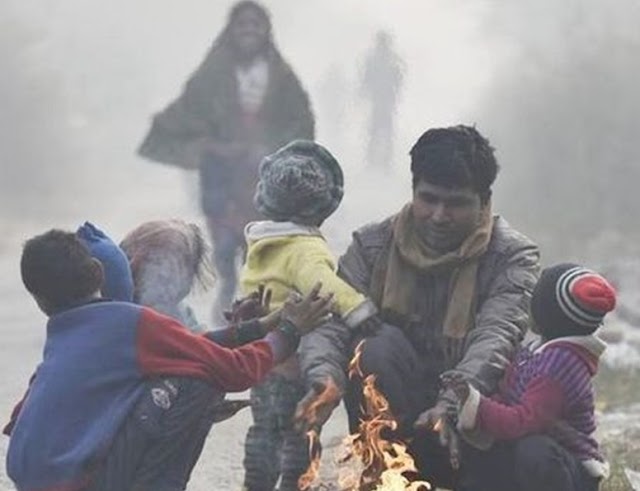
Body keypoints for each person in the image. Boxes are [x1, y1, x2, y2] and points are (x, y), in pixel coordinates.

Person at [295, 125, 541, 489]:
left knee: (541, 456)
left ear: (484, 202)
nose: (439, 215)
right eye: (429, 199)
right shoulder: (372, 246)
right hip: (391, 423)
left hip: (470, 424)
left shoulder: (512, 257)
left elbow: (497, 337)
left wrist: (451, 404)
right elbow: (332, 321)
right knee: (374, 346)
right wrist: (324, 378)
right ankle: (383, 475)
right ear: (413, 192)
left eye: (456, 203)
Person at [4, 228, 332, 491]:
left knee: (182, 368)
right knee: (197, 381)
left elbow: (186, 346)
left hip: (34, 480)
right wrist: (290, 330)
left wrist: (258, 327)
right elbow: (233, 371)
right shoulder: (130, 323)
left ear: (40, 299)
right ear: (98, 272)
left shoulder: (62, 334)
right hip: (82, 483)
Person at [138, 1, 315, 322]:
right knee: (221, 237)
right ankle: (227, 282)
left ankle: (253, 300)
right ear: (231, 30)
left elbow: (300, 119)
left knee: (257, 234)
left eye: (255, 25)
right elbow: (189, 109)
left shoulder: (281, 75)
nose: (248, 31)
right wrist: (209, 144)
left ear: (265, 31)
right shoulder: (213, 71)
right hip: (220, 170)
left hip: (259, 171)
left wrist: (271, 147)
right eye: (242, 25)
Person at [240, 140, 378, 491]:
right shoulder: (304, 249)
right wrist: (359, 310)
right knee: (302, 429)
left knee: (264, 430)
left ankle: (256, 482)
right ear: (322, 209)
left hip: (264, 359)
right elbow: (323, 284)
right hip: (296, 363)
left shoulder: (262, 244)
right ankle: (292, 484)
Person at [441, 263, 615, 491]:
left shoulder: (560, 364)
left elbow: (524, 422)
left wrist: (476, 403)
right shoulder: (541, 349)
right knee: (483, 450)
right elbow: (507, 393)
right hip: (529, 456)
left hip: (566, 473)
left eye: (535, 300)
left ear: (550, 314)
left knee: (534, 450)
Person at [119, 219, 212, 332]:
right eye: (155, 261)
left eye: (177, 264)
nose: (164, 273)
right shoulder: (114, 308)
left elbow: (199, 341)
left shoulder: (182, 314)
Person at [359, 30, 404, 169]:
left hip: (384, 99)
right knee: (379, 130)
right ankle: (377, 160)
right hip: (381, 99)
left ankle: (381, 161)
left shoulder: (388, 59)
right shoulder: (387, 59)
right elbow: (367, 78)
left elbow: (398, 78)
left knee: (381, 130)